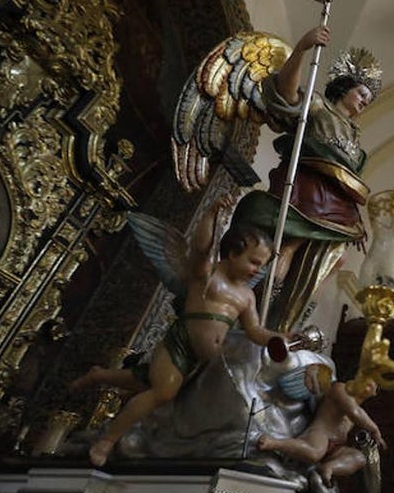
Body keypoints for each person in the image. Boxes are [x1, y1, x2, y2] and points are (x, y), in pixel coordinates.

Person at [71, 196, 286, 467]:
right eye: (254, 262)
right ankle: (107, 441)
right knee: (164, 391)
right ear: (232, 253)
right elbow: (199, 248)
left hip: (207, 363)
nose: (257, 270)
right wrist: (211, 215)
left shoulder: (246, 296)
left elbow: (254, 329)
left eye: (262, 265)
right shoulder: (207, 275)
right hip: (181, 344)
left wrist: (277, 339)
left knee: (146, 382)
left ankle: (99, 375)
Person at [231, 26, 382, 332]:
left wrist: (357, 221)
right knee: (287, 247)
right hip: (306, 193)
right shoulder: (318, 105)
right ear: (344, 88)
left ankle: (293, 318)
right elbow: (285, 94)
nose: (365, 102)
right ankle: (259, 304)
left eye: (368, 99)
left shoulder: (355, 137)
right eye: (362, 94)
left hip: (337, 207)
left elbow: (350, 180)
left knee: (332, 262)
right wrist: (302, 47)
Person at [256, 362, 387, 488]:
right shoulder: (340, 389)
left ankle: (329, 467)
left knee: (359, 458)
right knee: (315, 451)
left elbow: (356, 413)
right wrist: (374, 430)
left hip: (335, 448)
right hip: (320, 435)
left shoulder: (358, 406)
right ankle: (274, 443)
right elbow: (354, 412)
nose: (372, 383)